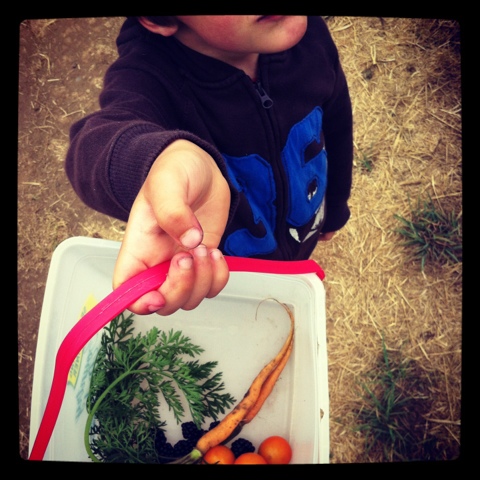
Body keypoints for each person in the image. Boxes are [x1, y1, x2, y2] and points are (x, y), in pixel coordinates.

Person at [65, 15, 353, 316]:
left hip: (303, 232)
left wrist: (335, 206)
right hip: (226, 276)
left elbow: (338, 124)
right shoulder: (147, 76)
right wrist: (161, 158)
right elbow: (90, 146)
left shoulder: (312, 36)